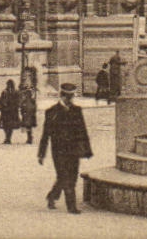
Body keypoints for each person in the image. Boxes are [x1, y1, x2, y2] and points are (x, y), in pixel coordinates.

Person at [39, 83, 93, 213]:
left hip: (73, 150)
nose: (70, 99)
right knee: (64, 176)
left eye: (71, 96)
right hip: (59, 151)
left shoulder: (77, 110)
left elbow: (83, 131)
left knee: (72, 177)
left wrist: (87, 149)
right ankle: (71, 206)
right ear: (61, 96)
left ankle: (52, 196)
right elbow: (46, 134)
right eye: (67, 97)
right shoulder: (51, 112)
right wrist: (41, 154)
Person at [0, 80, 21, 144]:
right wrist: (2, 105)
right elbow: (0, 100)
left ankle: (8, 138)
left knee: (10, 125)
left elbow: (18, 101)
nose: (9, 86)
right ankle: (7, 137)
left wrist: (15, 106)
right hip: (5, 111)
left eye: (10, 84)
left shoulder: (16, 92)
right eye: (8, 84)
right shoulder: (4, 92)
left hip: (12, 111)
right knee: (5, 125)